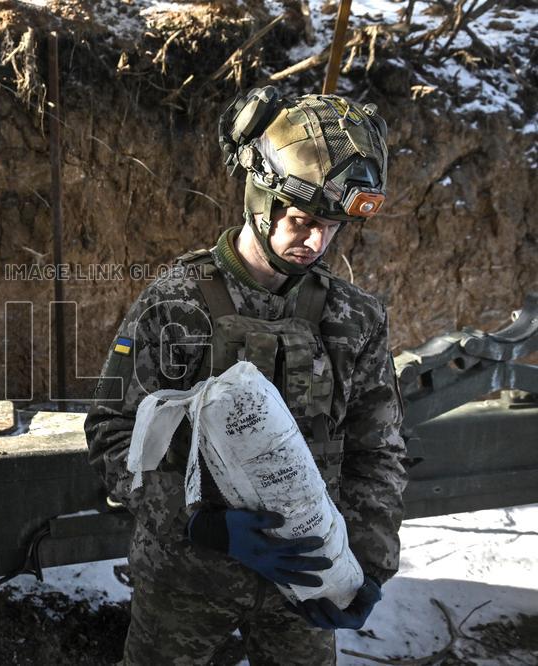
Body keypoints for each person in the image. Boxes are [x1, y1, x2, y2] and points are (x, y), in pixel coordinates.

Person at [84, 88, 408, 665]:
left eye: (332, 227)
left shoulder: (355, 319)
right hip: (185, 584)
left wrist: (369, 565)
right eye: (304, 220)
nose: (316, 241)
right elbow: (112, 433)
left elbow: (375, 452)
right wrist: (202, 526)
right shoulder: (175, 302)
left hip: (303, 583)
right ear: (260, 197)